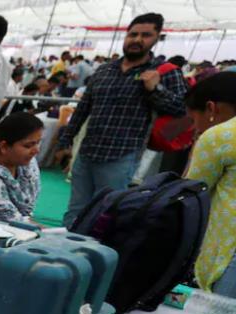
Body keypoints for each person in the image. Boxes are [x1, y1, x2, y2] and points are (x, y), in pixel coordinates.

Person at [132, 73, 236, 314]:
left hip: (231, 259)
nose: (194, 129)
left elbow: (192, 193)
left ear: (211, 109)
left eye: (194, 120)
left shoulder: (222, 136)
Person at [57, 13, 187, 227]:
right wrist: (65, 141)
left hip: (121, 156)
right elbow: (83, 108)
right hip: (88, 152)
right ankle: (66, 245)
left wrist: (155, 89)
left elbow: (182, 111)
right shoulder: (104, 70)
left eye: (146, 35)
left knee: (106, 215)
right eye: (133, 34)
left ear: (157, 38)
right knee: (76, 210)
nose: (137, 39)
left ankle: (94, 248)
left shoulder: (162, 73)